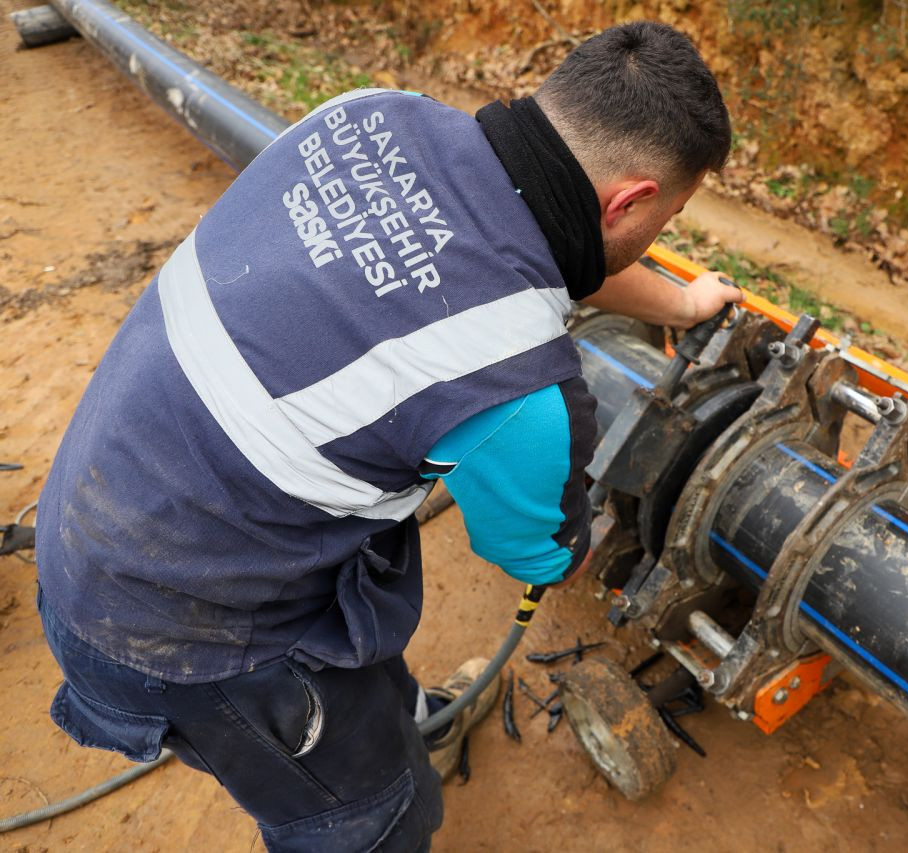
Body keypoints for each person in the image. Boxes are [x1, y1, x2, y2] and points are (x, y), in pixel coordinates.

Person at [34, 19, 738, 852]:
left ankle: (385, 716)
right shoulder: (523, 393)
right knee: (373, 816)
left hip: (96, 506)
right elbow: (540, 553)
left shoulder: (376, 115)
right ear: (630, 203)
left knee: (368, 599)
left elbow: (542, 245)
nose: (662, 234)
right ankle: (367, 795)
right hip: (172, 632)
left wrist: (687, 304)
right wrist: (567, 538)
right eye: (671, 214)